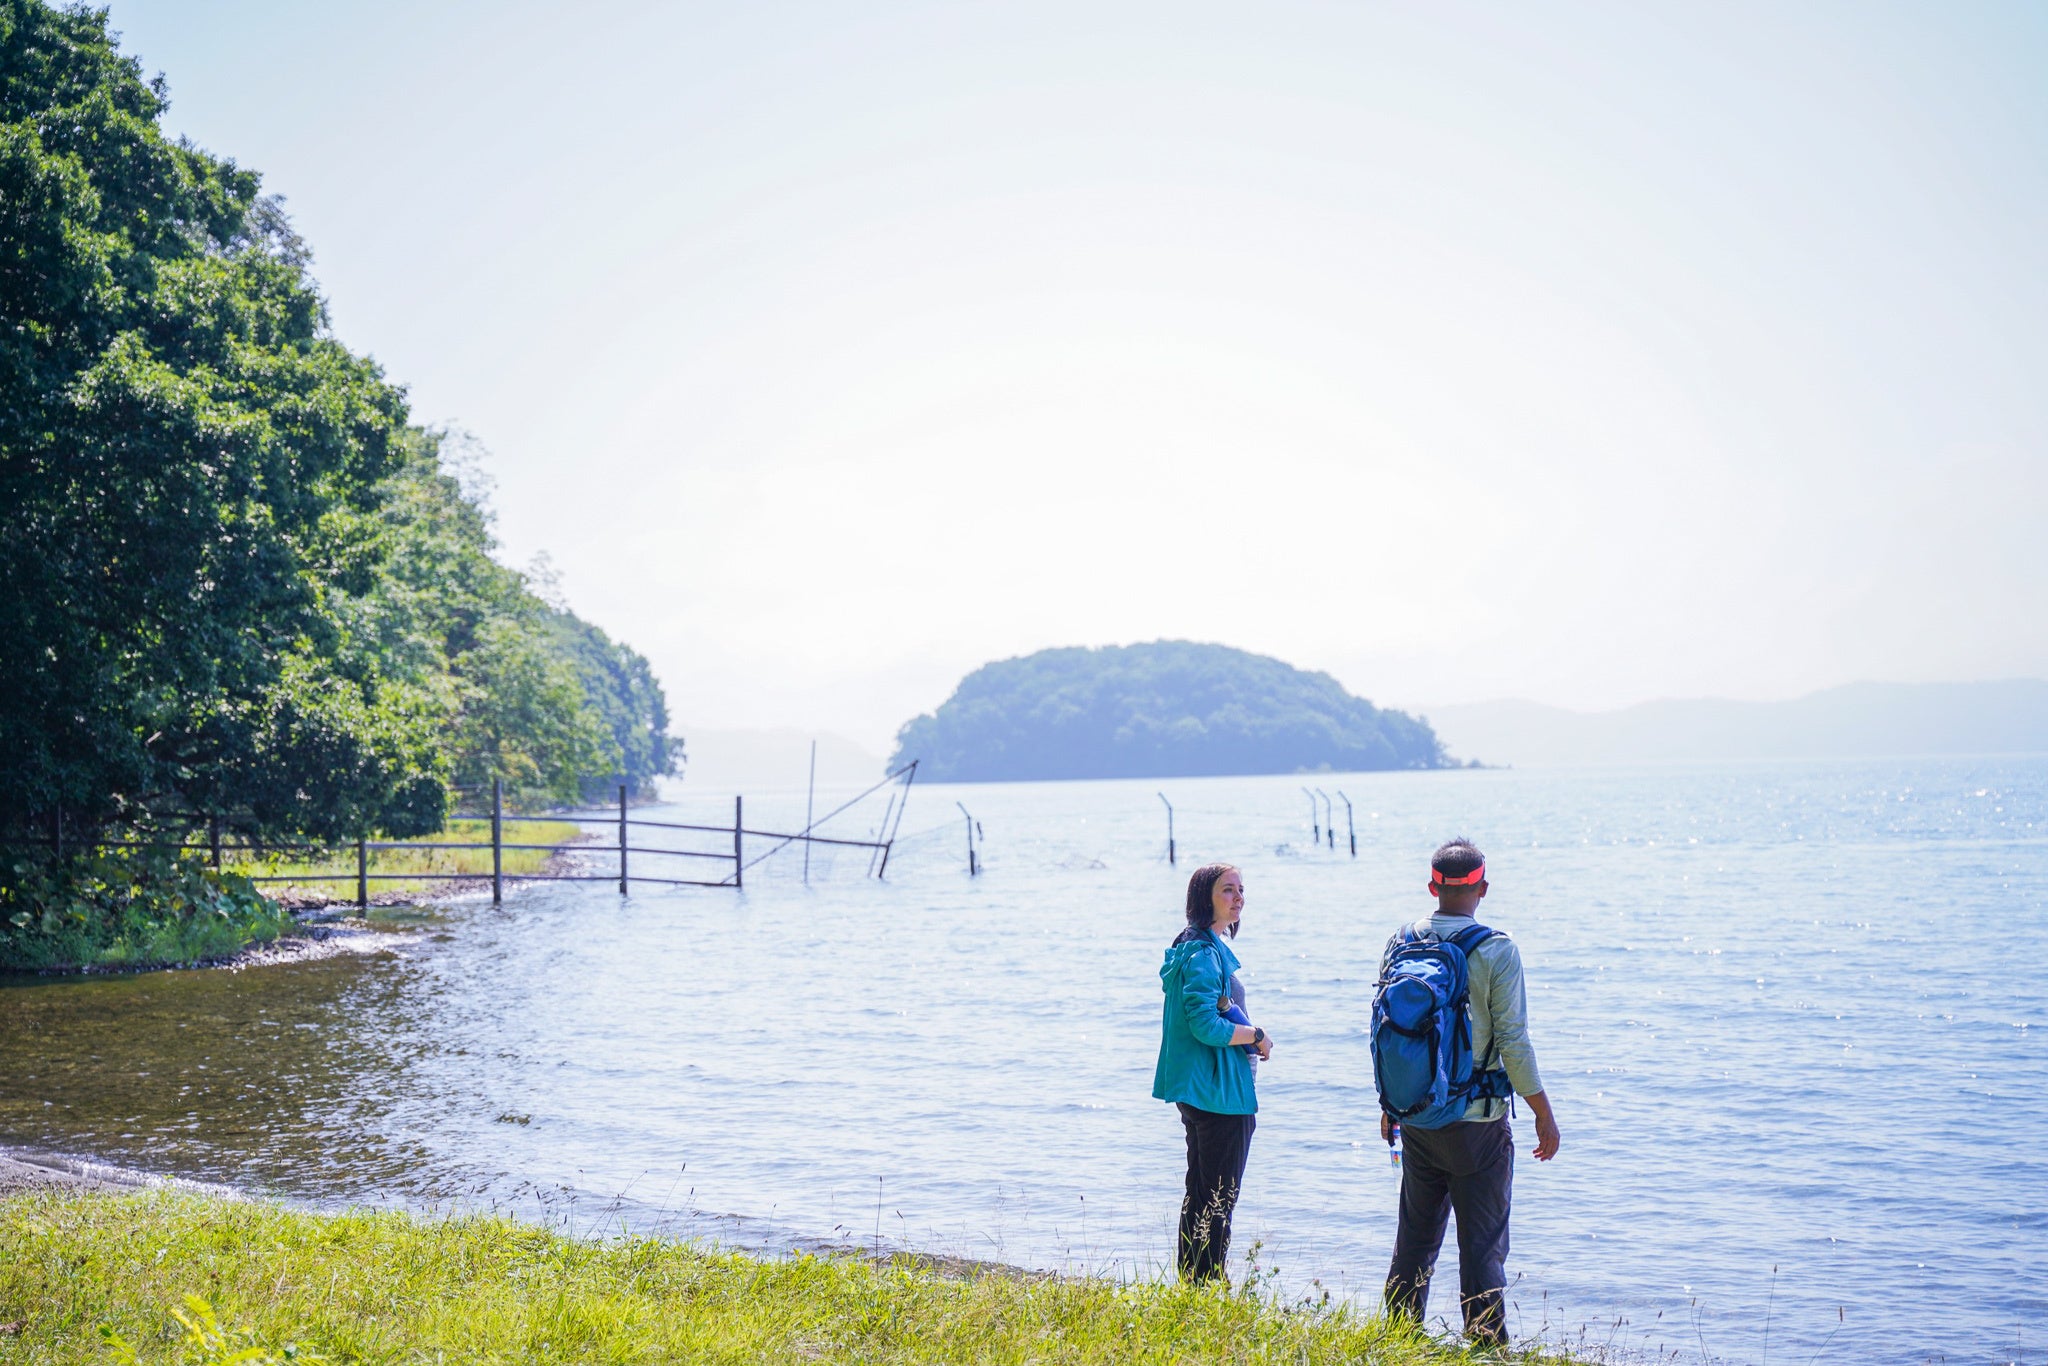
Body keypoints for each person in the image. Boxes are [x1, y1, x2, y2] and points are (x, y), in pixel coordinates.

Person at [1380, 838, 1560, 1347]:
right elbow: (1514, 1042)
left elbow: (1387, 1031)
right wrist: (1542, 1112)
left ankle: (1397, 1342)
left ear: (1433, 886)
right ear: (1482, 887)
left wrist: (1389, 1105)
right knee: (1481, 1247)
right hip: (1477, 1124)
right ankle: (1485, 1350)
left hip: (1417, 1117)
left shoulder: (1402, 940)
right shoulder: (1497, 949)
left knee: (1414, 1239)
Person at [1152, 862, 1272, 1283]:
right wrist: (1255, 1035)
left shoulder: (1196, 946)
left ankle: (1193, 1281)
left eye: (1241, 889)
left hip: (1203, 1088)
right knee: (1220, 1196)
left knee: (1202, 1191)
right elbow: (1205, 1024)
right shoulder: (1203, 954)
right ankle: (1208, 1281)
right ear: (1206, 898)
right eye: (1227, 890)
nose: (1238, 898)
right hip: (1219, 1093)